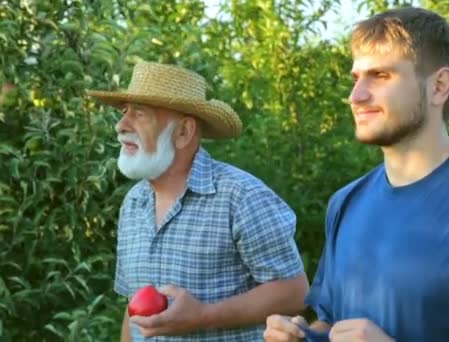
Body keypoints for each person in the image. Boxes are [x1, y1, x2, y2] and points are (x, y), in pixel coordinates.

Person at [264, 6, 449, 342]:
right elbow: (333, 322)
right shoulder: (347, 203)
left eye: (380, 76)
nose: (356, 96)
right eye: (356, 78)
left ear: (439, 86)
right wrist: (304, 335)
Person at [87, 61, 309, 341]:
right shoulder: (133, 203)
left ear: (183, 132)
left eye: (140, 114)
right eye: (123, 113)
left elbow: (296, 292)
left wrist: (204, 315)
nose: (121, 125)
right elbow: (132, 311)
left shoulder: (241, 196)